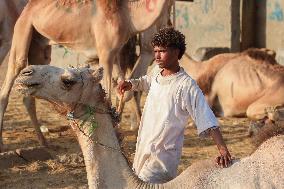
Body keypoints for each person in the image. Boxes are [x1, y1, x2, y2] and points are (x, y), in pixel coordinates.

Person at [117, 27, 232, 184]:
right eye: (155, 51)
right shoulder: (157, 72)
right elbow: (145, 82)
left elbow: (207, 117)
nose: (157, 56)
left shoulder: (186, 86)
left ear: (177, 52)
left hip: (163, 158)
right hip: (143, 149)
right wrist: (130, 84)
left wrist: (223, 149)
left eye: (162, 51)